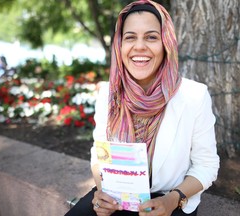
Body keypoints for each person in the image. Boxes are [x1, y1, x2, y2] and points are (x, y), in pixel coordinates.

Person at [65, 0, 219, 216]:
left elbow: (207, 165)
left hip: (169, 198)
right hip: (117, 195)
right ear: (119, 45)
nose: (139, 46)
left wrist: (173, 199)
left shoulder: (194, 95)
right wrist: (102, 194)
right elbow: (99, 156)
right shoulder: (109, 93)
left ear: (166, 43)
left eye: (151, 37)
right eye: (130, 37)